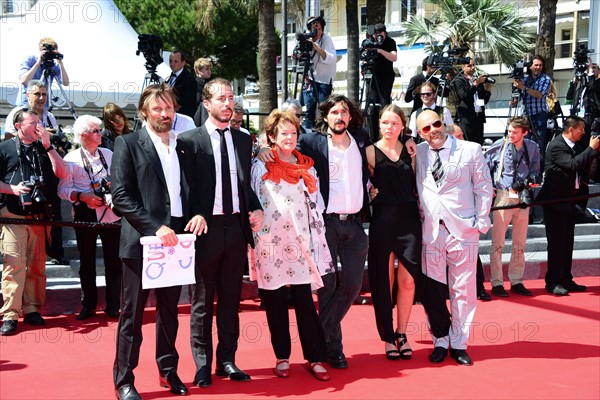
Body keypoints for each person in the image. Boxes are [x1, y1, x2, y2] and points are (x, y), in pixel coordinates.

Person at [177, 78, 264, 387]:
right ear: (207, 104)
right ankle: (202, 364)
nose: (228, 103)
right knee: (202, 301)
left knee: (230, 301)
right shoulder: (188, 141)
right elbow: (183, 188)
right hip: (205, 231)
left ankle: (227, 360)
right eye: (221, 98)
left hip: (236, 229)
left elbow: (243, 185)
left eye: (231, 98)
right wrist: (195, 214)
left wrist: (255, 206)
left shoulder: (243, 140)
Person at [111, 84, 192, 399]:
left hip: (176, 243)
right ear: (144, 112)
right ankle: (124, 381)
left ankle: (168, 370)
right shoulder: (128, 143)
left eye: (169, 108)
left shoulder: (183, 146)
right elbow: (121, 197)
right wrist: (154, 227)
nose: (164, 114)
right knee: (132, 314)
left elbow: (194, 189)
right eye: (157, 108)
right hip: (141, 242)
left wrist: (196, 214)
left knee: (170, 311)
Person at [250, 109, 332, 381]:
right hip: (269, 244)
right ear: (271, 137)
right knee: (274, 301)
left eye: (293, 132)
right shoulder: (260, 165)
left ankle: (316, 357)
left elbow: (316, 204)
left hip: (299, 243)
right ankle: (282, 356)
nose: (289, 137)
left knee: (305, 302)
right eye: (283, 132)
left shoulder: (308, 167)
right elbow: (252, 201)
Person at [415, 109, 493, 366]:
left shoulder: (470, 150)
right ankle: (440, 339)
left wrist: (480, 223)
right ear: (419, 133)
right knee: (433, 292)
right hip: (431, 232)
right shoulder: (419, 151)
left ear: (444, 123)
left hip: (463, 231)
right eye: (426, 128)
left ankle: (459, 343)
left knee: (463, 290)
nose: (433, 130)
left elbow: (483, 186)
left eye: (436, 124)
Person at [0, 109, 67, 336]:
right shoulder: (5, 148)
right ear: (19, 126)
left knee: (37, 266)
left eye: (40, 122)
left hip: (39, 216)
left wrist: (48, 146)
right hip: (13, 215)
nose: (39, 126)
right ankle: (10, 314)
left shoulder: (44, 148)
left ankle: (31, 309)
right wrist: (12, 189)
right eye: (33, 122)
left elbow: (63, 173)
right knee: (14, 263)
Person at [366, 104, 421, 361]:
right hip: (382, 221)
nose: (390, 127)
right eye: (386, 122)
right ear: (379, 124)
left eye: (395, 123)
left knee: (408, 281)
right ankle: (388, 337)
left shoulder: (413, 151)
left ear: (403, 125)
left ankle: (402, 333)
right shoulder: (369, 152)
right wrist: (369, 193)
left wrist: (411, 140)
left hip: (409, 221)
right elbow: (361, 186)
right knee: (384, 283)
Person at [58, 115, 122, 320]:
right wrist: (82, 196)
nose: (100, 134)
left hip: (110, 214)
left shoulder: (109, 154)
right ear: (83, 135)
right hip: (85, 214)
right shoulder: (71, 159)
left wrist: (112, 188)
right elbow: (63, 190)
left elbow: (119, 180)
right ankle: (89, 305)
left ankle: (113, 305)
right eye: (95, 131)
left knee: (114, 261)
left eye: (99, 130)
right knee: (87, 262)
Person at [4, 80, 70, 266]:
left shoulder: (50, 116)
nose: (41, 98)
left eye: (44, 94)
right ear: (27, 95)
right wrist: (35, 132)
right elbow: (9, 138)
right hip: (24, 169)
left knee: (54, 212)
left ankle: (56, 251)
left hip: (46, 168)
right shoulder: (17, 113)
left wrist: (49, 138)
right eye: (37, 94)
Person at [536, 115, 600, 296]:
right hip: (554, 203)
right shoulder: (556, 145)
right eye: (582, 129)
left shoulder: (575, 146)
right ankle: (553, 281)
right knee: (556, 244)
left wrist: (593, 151)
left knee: (567, 243)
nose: (584, 133)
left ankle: (565, 279)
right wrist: (590, 148)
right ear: (571, 129)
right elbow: (573, 165)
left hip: (570, 202)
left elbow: (585, 165)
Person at [484, 116, 541, 298]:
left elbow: (535, 169)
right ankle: (497, 283)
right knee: (498, 244)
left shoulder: (531, 147)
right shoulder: (499, 145)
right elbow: (484, 165)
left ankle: (516, 281)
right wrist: (489, 185)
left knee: (519, 244)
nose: (510, 135)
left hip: (522, 196)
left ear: (525, 132)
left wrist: (531, 180)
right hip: (503, 195)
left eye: (514, 132)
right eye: (509, 131)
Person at [512, 55, 552, 160]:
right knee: (524, 144)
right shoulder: (524, 79)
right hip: (525, 116)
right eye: (536, 65)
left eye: (540, 65)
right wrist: (514, 98)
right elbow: (516, 100)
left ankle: (538, 172)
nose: (538, 67)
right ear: (530, 66)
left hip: (539, 115)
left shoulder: (545, 79)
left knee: (539, 145)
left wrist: (523, 87)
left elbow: (539, 95)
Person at [301, 16, 336, 130]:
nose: (317, 32)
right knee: (309, 110)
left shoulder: (326, 39)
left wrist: (316, 47)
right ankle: (308, 135)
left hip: (324, 81)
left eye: (319, 29)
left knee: (323, 110)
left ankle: (323, 134)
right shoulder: (307, 38)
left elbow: (331, 58)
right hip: (310, 79)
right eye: (314, 29)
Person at [17, 37, 70, 108]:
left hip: (43, 105)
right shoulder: (30, 60)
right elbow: (24, 81)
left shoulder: (54, 65)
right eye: (46, 51)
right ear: (40, 50)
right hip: (27, 104)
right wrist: (38, 62)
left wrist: (61, 63)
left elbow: (66, 83)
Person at [453, 59, 493, 145]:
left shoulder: (478, 80)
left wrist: (488, 90)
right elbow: (465, 97)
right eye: (469, 66)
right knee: (467, 145)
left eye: (474, 65)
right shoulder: (459, 80)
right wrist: (476, 84)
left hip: (478, 118)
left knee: (478, 145)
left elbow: (484, 101)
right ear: (463, 67)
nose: (473, 68)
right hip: (467, 119)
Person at [165, 50, 197, 118]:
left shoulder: (189, 79)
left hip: (182, 118)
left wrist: (170, 93)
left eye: (175, 61)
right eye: (170, 61)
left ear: (183, 63)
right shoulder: (171, 76)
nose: (172, 64)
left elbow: (189, 103)